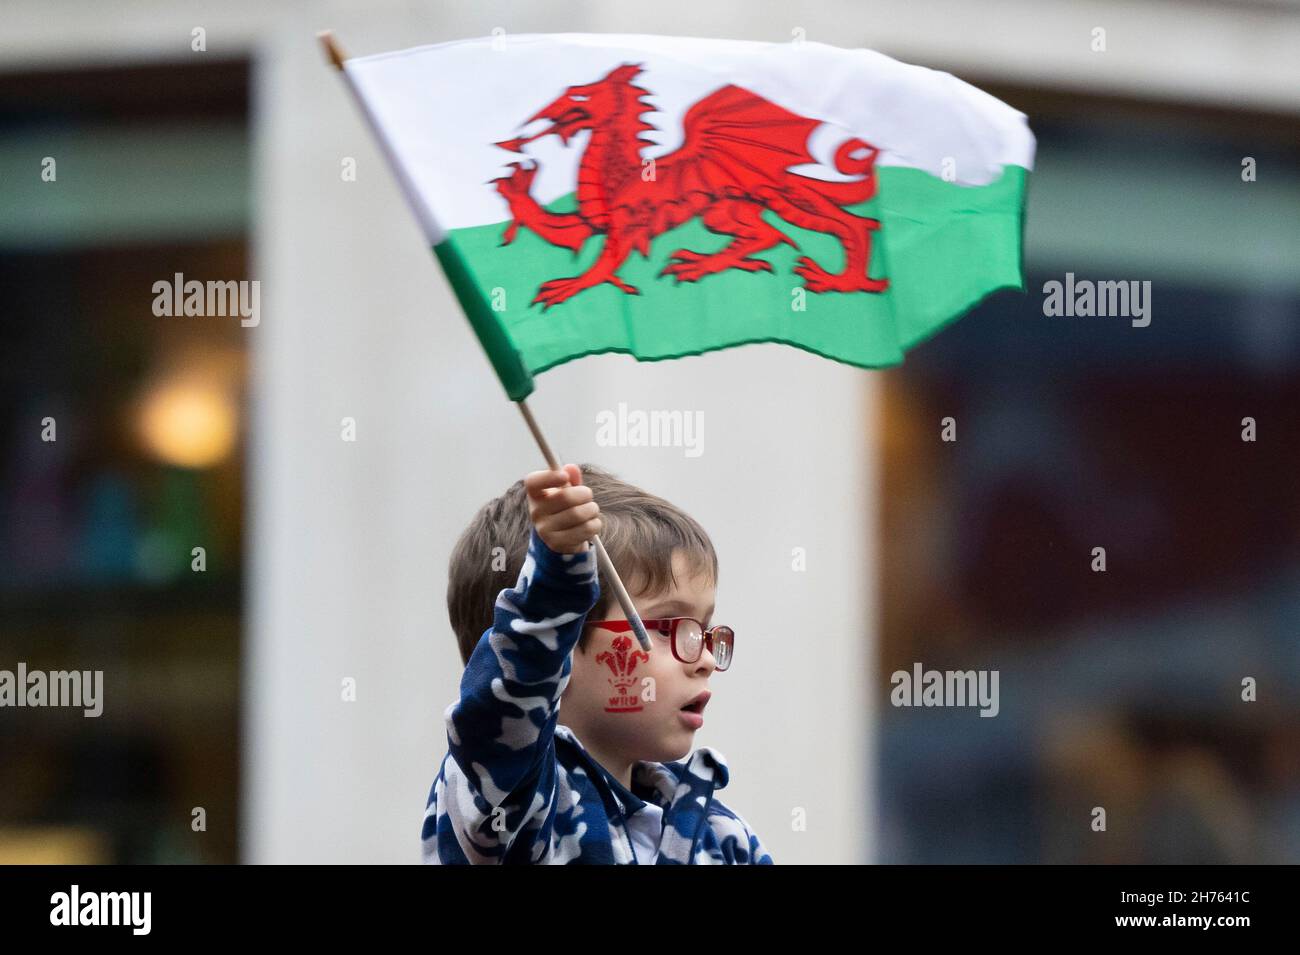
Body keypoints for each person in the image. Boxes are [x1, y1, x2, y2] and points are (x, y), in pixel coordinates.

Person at [423, 462, 771, 864]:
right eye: (666, 627)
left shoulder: (724, 837)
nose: (706, 658)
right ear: (560, 647)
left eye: (704, 630)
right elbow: (501, 718)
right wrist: (553, 588)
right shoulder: (508, 801)